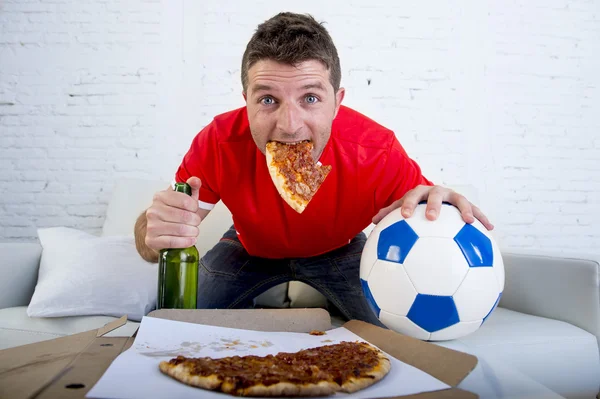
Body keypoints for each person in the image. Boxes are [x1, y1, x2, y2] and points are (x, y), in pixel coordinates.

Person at [134, 12, 493, 326]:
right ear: (245, 102)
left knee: (397, 334)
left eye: (310, 98)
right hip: (248, 248)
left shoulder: (375, 151)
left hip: (341, 249)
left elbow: (425, 211)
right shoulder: (218, 142)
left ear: (337, 103)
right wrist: (153, 230)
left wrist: (440, 209)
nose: (289, 125)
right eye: (268, 99)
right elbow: (157, 240)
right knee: (170, 322)